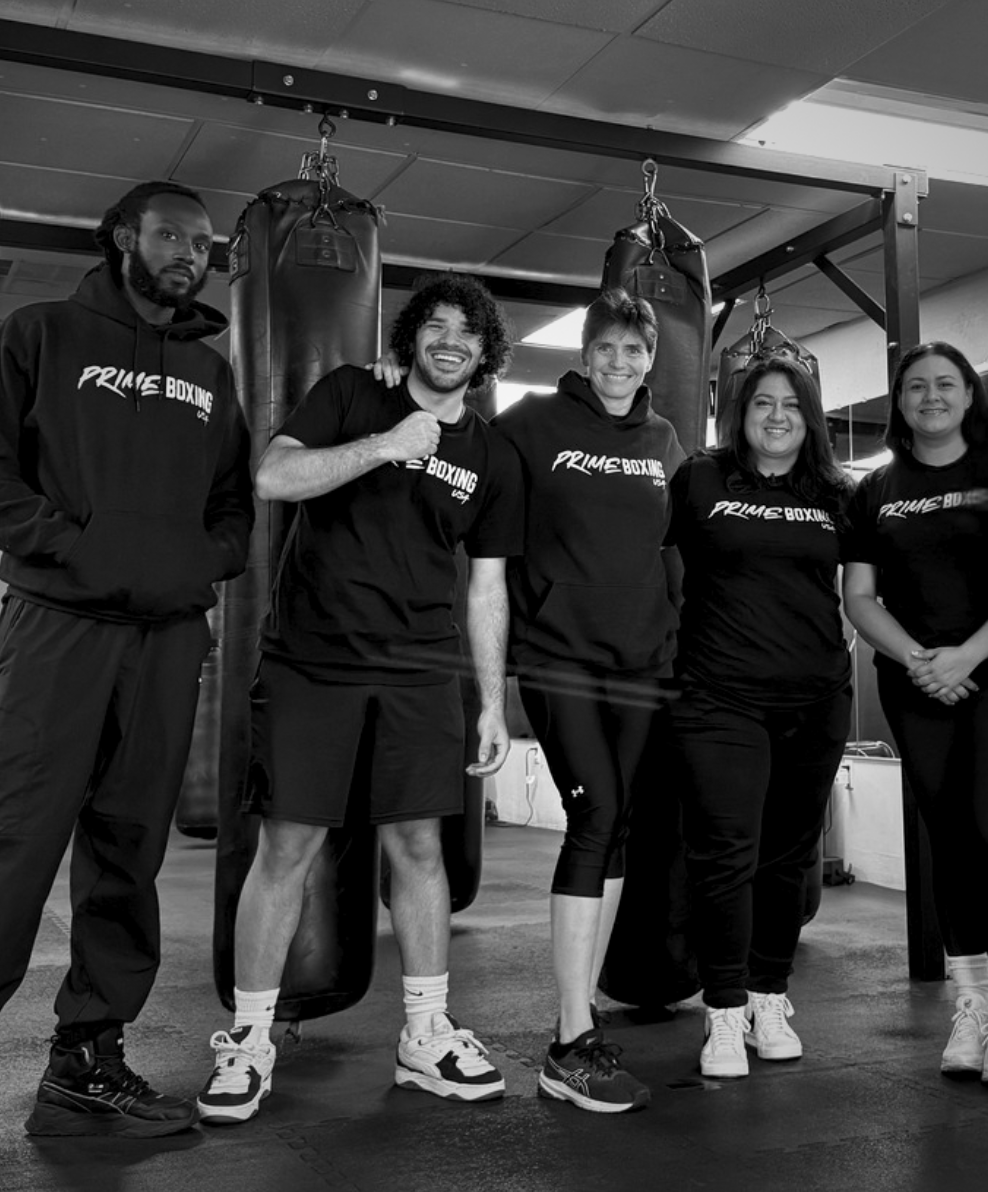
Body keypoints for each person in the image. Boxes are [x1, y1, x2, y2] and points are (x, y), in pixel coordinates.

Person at [196, 275, 524, 1125]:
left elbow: (487, 587)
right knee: (288, 846)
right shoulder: (352, 392)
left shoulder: (491, 454)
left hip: (421, 669)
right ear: (413, 336)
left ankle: (424, 1034)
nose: (451, 341)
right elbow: (272, 477)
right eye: (437, 326)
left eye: (469, 333)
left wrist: (492, 702)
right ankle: (251, 1039)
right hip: (314, 660)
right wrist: (385, 444)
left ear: (485, 355)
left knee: (420, 848)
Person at [0, 181, 254, 1137]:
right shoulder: (41, 333)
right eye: (170, 234)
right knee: (13, 840)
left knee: (128, 849)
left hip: (168, 639)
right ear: (122, 238)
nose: (190, 251)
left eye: (202, 241)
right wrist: (69, 542)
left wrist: (197, 563)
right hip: (58, 623)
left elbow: (235, 509)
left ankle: (88, 1054)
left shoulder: (210, 375)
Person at [491, 289, 684, 1113]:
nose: (619, 363)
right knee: (596, 814)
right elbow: (483, 517)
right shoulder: (530, 423)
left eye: (634, 351)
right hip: (560, 657)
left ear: (651, 358)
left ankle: (582, 1020)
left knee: (619, 826)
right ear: (584, 352)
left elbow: (677, 549)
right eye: (605, 347)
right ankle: (570, 1040)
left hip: (642, 662)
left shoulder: (664, 439)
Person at [665, 356, 853, 1079]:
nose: (777, 416)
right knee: (726, 854)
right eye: (763, 404)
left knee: (787, 856)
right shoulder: (702, 479)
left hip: (816, 698)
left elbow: (867, 584)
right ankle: (722, 1012)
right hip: (719, 698)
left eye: (792, 406)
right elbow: (642, 558)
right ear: (739, 414)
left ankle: (769, 997)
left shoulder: (837, 493)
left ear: (811, 419)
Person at [843, 342, 988, 1085]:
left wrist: (967, 655)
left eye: (946, 384)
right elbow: (859, 598)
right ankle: (969, 1008)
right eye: (916, 386)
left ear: (970, 396)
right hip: (916, 687)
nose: (931, 396)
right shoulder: (875, 489)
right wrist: (921, 661)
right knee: (948, 839)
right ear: (899, 402)